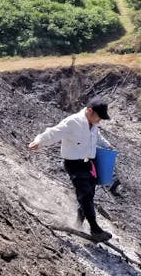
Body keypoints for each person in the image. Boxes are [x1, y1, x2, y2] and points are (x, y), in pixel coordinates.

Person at [28, 97, 114, 242]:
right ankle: (95, 229)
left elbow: (97, 137)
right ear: (89, 111)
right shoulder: (73, 122)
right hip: (74, 164)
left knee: (88, 195)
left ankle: (78, 224)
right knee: (85, 195)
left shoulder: (93, 124)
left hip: (89, 164)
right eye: (98, 117)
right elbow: (54, 132)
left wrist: (108, 146)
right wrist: (39, 141)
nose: (99, 121)